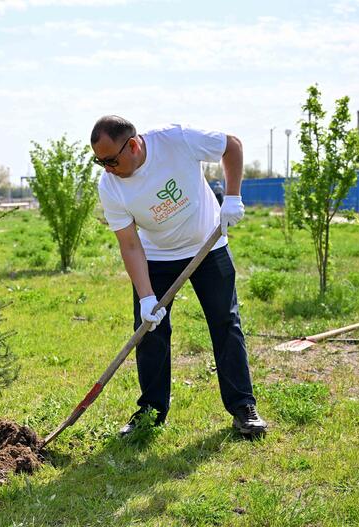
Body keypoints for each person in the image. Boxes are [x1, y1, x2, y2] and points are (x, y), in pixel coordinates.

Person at [90, 115, 267, 438]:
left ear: (133, 145)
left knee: (225, 324)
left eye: (111, 160)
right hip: (157, 256)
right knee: (150, 331)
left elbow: (232, 146)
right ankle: (151, 411)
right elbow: (129, 244)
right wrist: (146, 298)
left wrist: (232, 197)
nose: (107, 169)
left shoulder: (176, 140)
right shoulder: (110, 186)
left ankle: (243, 407)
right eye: (100, 162)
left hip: (208, 245)